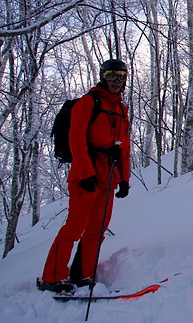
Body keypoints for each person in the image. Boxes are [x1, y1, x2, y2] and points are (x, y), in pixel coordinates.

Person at [38, 59, 131, 294]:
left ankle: (83, 274)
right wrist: (85, 173)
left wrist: (124, 178)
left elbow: (124, 146)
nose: (116, 81)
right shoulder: (88, 103)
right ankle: (52, 277)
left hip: (108, 175)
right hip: (85, 176)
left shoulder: (121, 108)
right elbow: (76, 139)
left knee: (97, 230)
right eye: (111, 75)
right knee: (74, 227)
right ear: (103, 77)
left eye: (120, 76)